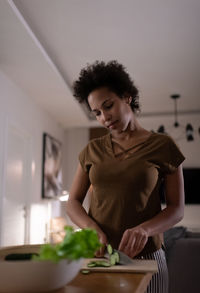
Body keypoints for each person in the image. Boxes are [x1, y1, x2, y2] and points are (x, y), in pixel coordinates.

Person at [66, 60, 185, 293]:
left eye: (108, 106)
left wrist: (145, 230)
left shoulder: (163, 146)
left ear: (127, 97)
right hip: (99, 259)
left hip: (147, 258)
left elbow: (176, 208)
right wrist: (91, 228)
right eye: (97, 113)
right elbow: (72, 203)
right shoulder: (92, 150)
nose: (104, 117)